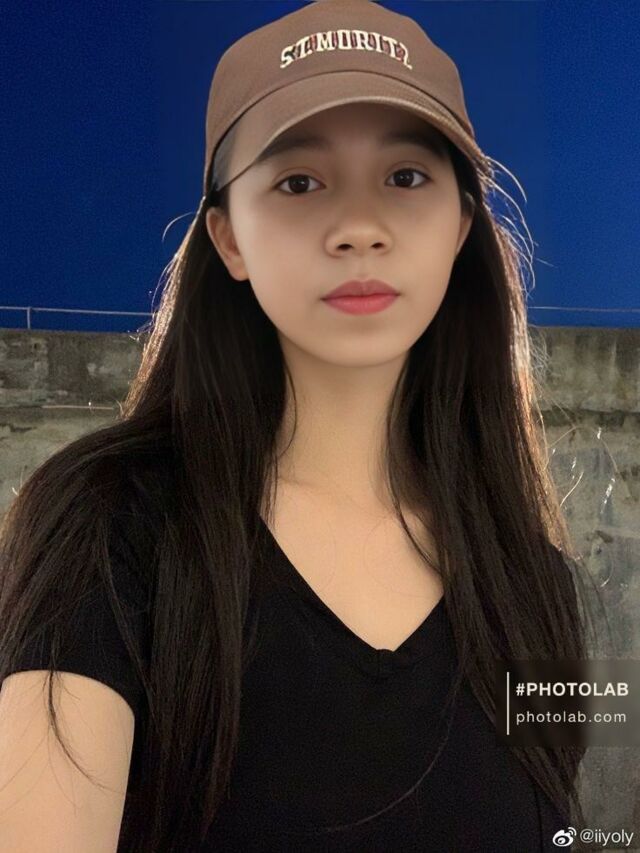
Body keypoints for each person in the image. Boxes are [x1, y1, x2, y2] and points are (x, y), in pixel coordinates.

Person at [0, 1, 598, 850]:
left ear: (461, 225)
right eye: (299, 183)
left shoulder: (534, 584)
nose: (358, 229)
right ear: (229, 239)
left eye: (405, 177)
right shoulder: (108, 527)